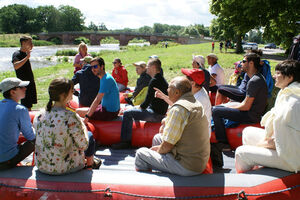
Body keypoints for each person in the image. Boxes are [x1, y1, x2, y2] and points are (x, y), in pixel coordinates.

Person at [135, 76, 210, 176]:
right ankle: (162, 169)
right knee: (158, 138)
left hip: (186, 165)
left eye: (169, 87)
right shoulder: (195, 103)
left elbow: (167, 145)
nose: (166, 89)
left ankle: (147, 185)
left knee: (141, 154)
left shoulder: (178, 109)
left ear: (177, 92)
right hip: (197, 160)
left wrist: (158, 152)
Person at [235, 60, 300, 173]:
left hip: (291, 159)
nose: (274, 76)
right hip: (284, 145)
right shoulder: (288, 93)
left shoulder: (293, 104)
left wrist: (261, 145)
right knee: (248, 132)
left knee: (241, 153)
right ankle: (258, 169)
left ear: (290, 77)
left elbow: (285, 142)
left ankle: (245, 188)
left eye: (278, 73)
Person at [33, 77, 101, 175]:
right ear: (63, 94)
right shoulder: (70, 117)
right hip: (65, 168)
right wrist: (83, 127)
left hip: (42, 166)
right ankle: (89, 167)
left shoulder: (39, 115)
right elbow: (83, 145)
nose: (73, 93)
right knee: (89, 135)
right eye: (72, 90)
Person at [211, 53, 268, 168]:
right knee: (221, 107)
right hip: (251, 112)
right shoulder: (255, 78)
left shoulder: (254, 81)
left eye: (243, 61)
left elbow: (246, 106)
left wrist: (227, 107)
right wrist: (229, 105)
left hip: (250, 115)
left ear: (251, 63)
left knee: (216, 111)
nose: (241, 64)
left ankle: (223, 143)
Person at [112, 58, 168, 149]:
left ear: (153, 67)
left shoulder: (154, 81)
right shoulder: (161, 79)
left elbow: (145, 104)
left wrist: (133, 108)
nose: (147, 68)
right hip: (158, 112)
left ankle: (125, 141)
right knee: (131, 110)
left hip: (156, 114)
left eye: (148, 66)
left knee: (127, 113)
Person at [155, 68, 212, 138]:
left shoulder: (200, 99)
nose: (183, 79)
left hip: (197, 136)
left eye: (186, 79)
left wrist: (168, 120)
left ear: (192, 83)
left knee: (158, 136)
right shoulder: (195, 91)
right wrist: (163, 96)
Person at [0, 78, 35, 170]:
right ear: (12, 92)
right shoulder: (20, 109)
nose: (25, 89)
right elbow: (31, 136)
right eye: (21, 87)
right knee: (36, 140)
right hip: (6, 162)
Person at [76, 57, 120, 122]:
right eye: (92, 67)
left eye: (95, 66)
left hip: (109, 113)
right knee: (87, 108)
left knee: (78, 111)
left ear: (102, 67)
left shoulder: (106, 79)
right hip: (108, 108)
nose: (93, 69)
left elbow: (97, 100)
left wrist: (87, 117)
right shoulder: (105, 76)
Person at [12, 35, 37, 110]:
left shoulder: (26, 53)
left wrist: (27, 55)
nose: (31, 44)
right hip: (23, 83)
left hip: (30, 81)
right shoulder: (17, 54)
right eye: (29, 42)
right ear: (23, 43)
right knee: (26, 103)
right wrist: (27, 58)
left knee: (30, 104)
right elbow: (16, 66)